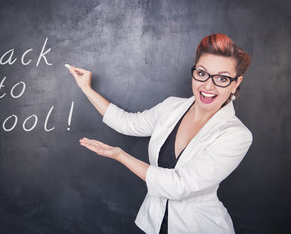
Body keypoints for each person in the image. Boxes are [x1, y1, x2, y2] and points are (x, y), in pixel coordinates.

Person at [67, 34, 252, 234]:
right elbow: (126, 123)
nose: (208, 86)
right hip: (154, 224)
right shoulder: (171, 107)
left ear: (236, 82)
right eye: (202, 73)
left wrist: (120, 155)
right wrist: (86, 89)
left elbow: (179, 186)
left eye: (222, 78)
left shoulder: (236, 135)